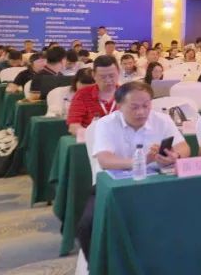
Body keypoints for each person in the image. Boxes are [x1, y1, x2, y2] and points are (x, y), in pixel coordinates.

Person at [79, 82, 190, 259]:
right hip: (116, 186)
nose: (141, 112)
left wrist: (174, 156)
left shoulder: (162, 120)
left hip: (157, 182)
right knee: (89, 223)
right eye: (134, 107)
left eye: (146, 106)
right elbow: (105, 160)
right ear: (119, 105)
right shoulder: (105, 124)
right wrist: (141, 161)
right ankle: (99, 266)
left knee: (188, 213)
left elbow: (184, 147)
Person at [67, 55, 120, 134]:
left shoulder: (128, 94)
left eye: (111, 76)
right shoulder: (82, 95)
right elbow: (74, 126)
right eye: (103, 77)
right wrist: (93, 136)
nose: (108, 80)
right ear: (94, 75)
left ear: (118, 72)